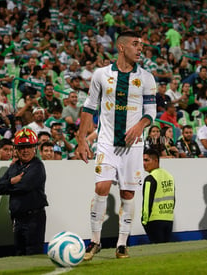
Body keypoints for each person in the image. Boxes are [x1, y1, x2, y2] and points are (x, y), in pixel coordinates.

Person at [76, 31, 156, 260]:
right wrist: (81, 139)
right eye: (135, 44)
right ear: (121, 47)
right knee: (101, 187)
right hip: (107, 143)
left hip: (134, 145)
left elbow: (151, 112)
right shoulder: (101, 74)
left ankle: (122, 244)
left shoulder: (147, 78)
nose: (140, 48)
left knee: (128, 192)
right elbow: (90, 106)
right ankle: (94, 241)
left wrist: (141, 125)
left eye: (141, 45)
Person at [0, 128, 48, 255]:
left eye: (28, 146)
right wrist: (12, 181)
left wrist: (9, 184)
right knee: (19, 253)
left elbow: (24, 187)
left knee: (33, 253)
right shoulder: (14, 167)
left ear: (34, 148)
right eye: (22, 147)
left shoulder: (38, 166)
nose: (25, 150)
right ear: (17, 149)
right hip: (18, 219)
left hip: (34, 218)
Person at [141, 148, 175, 243]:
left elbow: (147, 202)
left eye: (147, 160)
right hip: (168, 218)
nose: (144, 163)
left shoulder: (150, 178)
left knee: (157, 248)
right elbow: (173, 199)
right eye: (143, 160)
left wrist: (144, 220)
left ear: (156, 160)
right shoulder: (169, 176)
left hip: (154, 219)